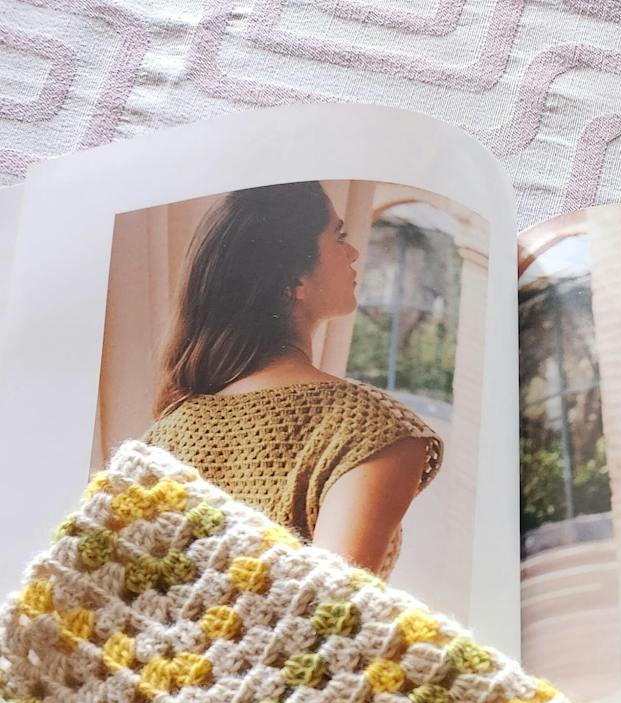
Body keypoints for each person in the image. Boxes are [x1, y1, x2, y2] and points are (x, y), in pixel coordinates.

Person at [145, 181, 442, 580]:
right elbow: (329, 607)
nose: (353, 253)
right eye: (339, 237)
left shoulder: (164, 434)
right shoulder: (372, 429)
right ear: (294, 281)